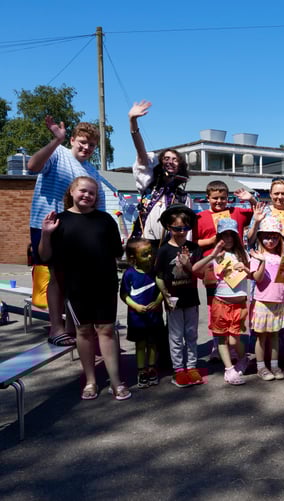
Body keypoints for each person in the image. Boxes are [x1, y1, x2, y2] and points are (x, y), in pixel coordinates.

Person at [39, 176, 129, 400]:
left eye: (92, 193)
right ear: (72, 190)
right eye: (83, 191)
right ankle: (90, 380)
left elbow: (117, 252)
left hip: (104, 283)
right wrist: (46, 233)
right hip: (76, 287)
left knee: (107, 330)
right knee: (83, 331)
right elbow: (45, 256)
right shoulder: (59, 221)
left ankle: (116, 381)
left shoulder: (105, 220)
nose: (87, 196)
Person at [28, 117, 105, 347]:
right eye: (82, 142)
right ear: (72, 140)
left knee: (74, 277)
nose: (86, 148)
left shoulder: (91, 170)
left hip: (77, 228)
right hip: (48, 224)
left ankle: (75, 327)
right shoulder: (58, 153)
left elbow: (97, 203)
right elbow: (32, 166)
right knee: (56, 275)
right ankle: (56, 327)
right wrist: (56, 140)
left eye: (91, 145)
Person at [193, 219, 252, 385]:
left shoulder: (243, 254)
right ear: (218, 237)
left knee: (235, 339)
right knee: (221, 338)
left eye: (231, 235)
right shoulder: (215, 255)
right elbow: (195, 269)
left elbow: (252, 275)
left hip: (239, 303)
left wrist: (245, 268)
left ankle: (242, 359)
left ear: (236, 237)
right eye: (224, 235)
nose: (228, 239)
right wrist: (212, 255)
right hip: (220, 301)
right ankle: (229, 369)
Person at [128, 101, 192, 247]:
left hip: (170, 247)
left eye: (175, 160)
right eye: (166, 158)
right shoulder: (148, 184)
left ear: (180, 166)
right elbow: (141, 152)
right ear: (160, 162)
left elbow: (188, 229)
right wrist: (133, 121)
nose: (170, 162)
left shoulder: (184, 197)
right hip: (143, 244)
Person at [154, 204, 203, 388]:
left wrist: (188, 264)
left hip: (191, 298)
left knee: (191, 334)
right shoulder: (164, 250)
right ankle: (178, 369)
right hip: (173, 300)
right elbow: (158, 275)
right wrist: (164, 296)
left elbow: (199, 273)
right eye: (177, 228)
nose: (182, 232)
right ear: (169, 227)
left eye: (185, 228)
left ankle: (191, 366)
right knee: (175, 336)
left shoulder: (194, 248)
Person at [120, 238, 165, 389]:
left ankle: (152, 368)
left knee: (153, 343)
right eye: (145, 254)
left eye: (150, 253)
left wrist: (158, 301)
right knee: (140, 344)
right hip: (137, 318)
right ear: (133, 258)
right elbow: (124, 294)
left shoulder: (155, 271)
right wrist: (135, 306)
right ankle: (141, 371)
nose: (150, 257)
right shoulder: (129, 274)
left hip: (154, 316)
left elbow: (162, 290)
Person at [249, 218, 284, 381]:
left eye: (274, 237)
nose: (270, 240)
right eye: (266, 237)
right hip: (262, 301)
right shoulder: (257, 256)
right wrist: (262, 262)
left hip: (278, 301)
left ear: (279, 238)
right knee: (261, 337)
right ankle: (261, 367)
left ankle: (274, 365)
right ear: (260, 238)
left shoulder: (282, 257)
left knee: (274, 336)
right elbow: (257, 278)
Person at [247, 178, 284, 244]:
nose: (280, 197)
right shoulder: (262, 212)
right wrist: (256, 223)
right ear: (270, 194)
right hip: (265, 253)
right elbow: (250, 241)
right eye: (276, 193)